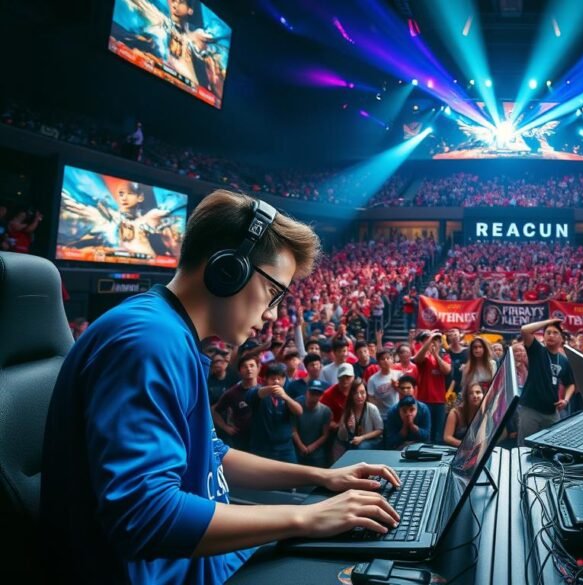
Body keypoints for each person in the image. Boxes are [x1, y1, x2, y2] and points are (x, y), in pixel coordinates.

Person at [40, 190, 401, 584]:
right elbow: (144, 517)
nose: (273, 313)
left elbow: (213, 456)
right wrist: (308, 516)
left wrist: (322, 478)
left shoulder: (168, 333)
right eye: (274, 293)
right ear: (228, 269)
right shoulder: (148, 341)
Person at [517, 318, 576, 445]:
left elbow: (570, 384)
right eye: (548, 332)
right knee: (524, 448)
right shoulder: (537, 350)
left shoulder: (564, 361)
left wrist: (566, 400)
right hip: (530, 409)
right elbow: (525, 330)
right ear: (543, 337)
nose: (551, 335)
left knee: (553, 447)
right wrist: (550, 321)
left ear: (561, 339)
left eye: (555, 333)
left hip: (551, 412)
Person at [247, 362, 304, 463]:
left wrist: (285, 397)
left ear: (284, 379)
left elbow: (299, 411)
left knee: (290, 476)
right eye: (273, 379)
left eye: (279, 378)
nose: (276, 381)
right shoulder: (259, 392)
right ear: (266, 379)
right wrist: (271, 389)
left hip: (285, 448)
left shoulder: (288, 392)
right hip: (262, 448)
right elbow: (255, 394)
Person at [413, 330, 452, 444]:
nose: (433, 343)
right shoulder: (424, 358)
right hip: (424, 401)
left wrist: (435, 355)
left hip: (439, 401)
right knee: (426, 434)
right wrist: (429, 341)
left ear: (440, 343)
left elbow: (447, 370)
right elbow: (417, 359)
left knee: (438, 434)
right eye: (431, 341)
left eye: (436, 341)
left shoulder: (445, 356)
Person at [292, 379, 333, 468]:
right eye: (312, 392)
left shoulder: (326, 411)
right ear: (307, 392)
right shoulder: (297, 405)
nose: (314, 396)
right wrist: (301, 446)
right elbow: (293, 429)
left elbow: (325, 435)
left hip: (317, 455)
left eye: (317, 394)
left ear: (321, 395)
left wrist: (311, 447)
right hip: (298, 451)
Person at [337, 379, 384, 452]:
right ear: (351, 395)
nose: (359, 396)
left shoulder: (372, 408)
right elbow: (341, 436)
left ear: (366, 393)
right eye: (356, 393)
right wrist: (346, 427)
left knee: (360, 447)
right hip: (354, 440)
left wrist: (362, 438)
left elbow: (379, 430)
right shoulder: (348, 409)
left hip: (371, 439)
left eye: (362, 393)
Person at [444, 382, 485, 447]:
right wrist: (466, 446)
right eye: (470, 393)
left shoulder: (484, 413)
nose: (475, 395)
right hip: (455, 450)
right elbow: (447, 437)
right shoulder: (455, 413)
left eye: (478, 392)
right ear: (466, 397)